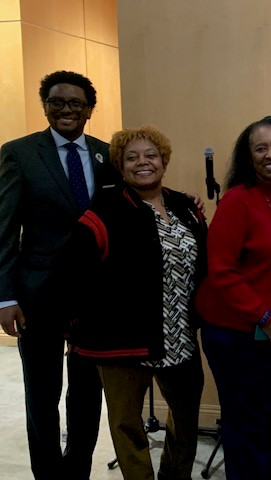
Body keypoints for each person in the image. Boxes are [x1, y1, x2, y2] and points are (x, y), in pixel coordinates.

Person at [49, 125, 208, 480]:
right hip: (121, 342)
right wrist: (74, 327)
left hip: (180, 337)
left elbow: (205, 264)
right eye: (131, 158)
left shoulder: (186, 207)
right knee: (126, 425)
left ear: (164, 161)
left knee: (185, 420)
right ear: (120, 167)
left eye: (151, 155)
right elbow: (68, 274)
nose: (143, 163)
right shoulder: (104, 213)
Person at [0, 70, 118, 480]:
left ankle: (78, 471)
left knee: (87, 393)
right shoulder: (19, 153)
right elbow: (4, 230)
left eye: (76, 103)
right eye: (57, 101)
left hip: (93, 297)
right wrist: (5, 297)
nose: (67, 109)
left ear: (89, 110)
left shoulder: (108, 155)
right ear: (45, 106)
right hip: (38, 295)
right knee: (42, 393)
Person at [195, 116, 271, 480]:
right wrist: (264, 317)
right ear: (248, 157)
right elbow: (221, 270)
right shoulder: (237, 200)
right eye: (260, 148)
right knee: (247, 425)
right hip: (240, 335)